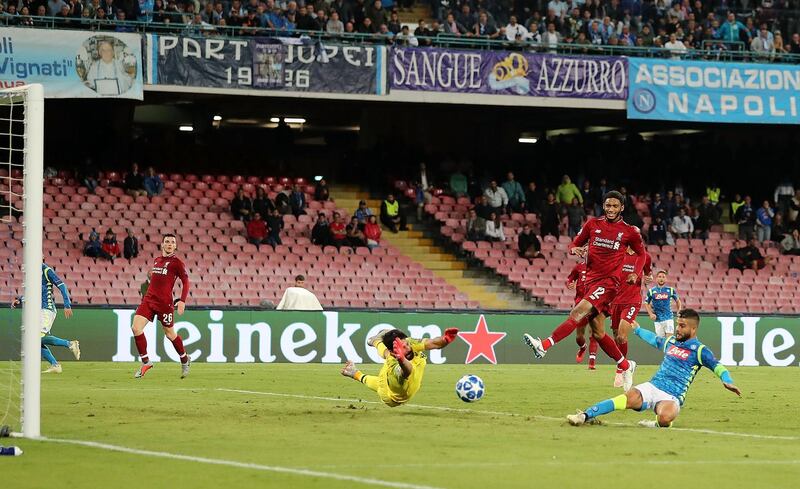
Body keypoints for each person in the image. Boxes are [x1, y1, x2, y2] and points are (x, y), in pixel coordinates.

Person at [523, 191, 644, 392]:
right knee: (597, 332)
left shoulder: (629, 231)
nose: (611, 209)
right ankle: (625, 364)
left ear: (622, 208)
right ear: (603, 206)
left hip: (609, 283)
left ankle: (544, 345)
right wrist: (574, 249)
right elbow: (574, 243)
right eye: (608, 205)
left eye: (615, 206)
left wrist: (636, 273)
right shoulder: (592, 225)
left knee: (576, 313)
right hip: (591, 282)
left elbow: (641, 253)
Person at [567, 309, 741, 428]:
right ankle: (585, 415)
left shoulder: (701, 351)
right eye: (677, 324)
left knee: (666, 417)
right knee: (626, 398)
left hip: (672, 396)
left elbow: (718, 367)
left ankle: (656, 423)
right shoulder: (671, 342)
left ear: (693, 328)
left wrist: (727, 381)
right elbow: (654, 339)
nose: (677, 329)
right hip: (652, 387)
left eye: (682, 326)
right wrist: (638, 329)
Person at [340, 327, 459, 407]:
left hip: (392, 357)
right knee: (381, 385)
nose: (407, 347)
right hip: (392, 398)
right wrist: (401, 359)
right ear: (395, 351)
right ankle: (357, 372)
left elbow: (433, 343)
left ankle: (375, 342)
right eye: (403, 346)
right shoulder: (393, 366)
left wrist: (445, 340)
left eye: (406, 343)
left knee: (385, 354)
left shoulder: (409, 343)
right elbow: (406, 371)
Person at [130, 234, 190, 379]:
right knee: (136, 328)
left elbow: (186, 281)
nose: (170, 244)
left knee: (170, 334)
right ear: (162, 244)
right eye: (167, 241)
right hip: (149, 300)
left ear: (175, 246)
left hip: (165, 303)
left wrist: (182, 300)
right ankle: (146, 362)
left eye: (172, 242)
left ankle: (184, 359)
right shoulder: (157, 261)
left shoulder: (177, 263)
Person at [10, 263, 80, 374]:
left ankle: (70, 344)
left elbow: (62, 286)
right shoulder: (34, 274)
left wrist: (67, 305)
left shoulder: (47, 270)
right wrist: (19, 299)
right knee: (35, 341)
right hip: (39, 311)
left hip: (47, 309)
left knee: (34, 339)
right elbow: (34, 292)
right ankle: (55, 365)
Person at [609, 248, 652, 386]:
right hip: (615, 301)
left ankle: (621, 369)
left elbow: (648, 275)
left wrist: (648, 278)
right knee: (616, 335)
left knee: (622, 335)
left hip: (633, 300)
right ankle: (626, 365)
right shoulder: (618, 254)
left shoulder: (644, 256)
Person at [566, 259, 598, 369]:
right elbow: (570, 278)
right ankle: (583, 347)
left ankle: (592, 362)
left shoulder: (600, 266)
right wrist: (569, 283)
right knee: (579, 336)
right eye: (585, 250)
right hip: (581, 305)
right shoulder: (579, 267)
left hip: (595, 303)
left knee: (594, 333)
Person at [645, 270, 682, 338]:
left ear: (666, 279)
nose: (661, 278)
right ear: (656, 279)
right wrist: (650, 314)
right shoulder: (651, 291)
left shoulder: (670, 290)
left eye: (663, 277)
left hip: (669, 318)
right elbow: (646, 303)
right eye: (659, 277)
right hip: (657, 320)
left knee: (669, 340)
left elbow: (678, 300)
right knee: (661, 342)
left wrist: (679, 309)